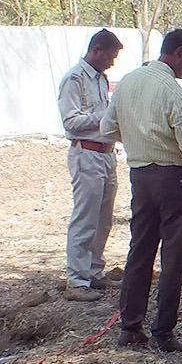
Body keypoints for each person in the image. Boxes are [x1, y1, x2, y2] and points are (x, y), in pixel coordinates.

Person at [104, 29, 182, 353]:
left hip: (140, 175)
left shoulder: (128, 82)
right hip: (172, 177)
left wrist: (137, 140)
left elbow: (107, 128)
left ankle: (130, 326)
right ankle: (163, 332)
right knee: (173, 257)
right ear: (177, 52)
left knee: (140, 249)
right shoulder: (174, 93)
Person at [58, 29, 124, 302]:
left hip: (106, 153)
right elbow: (71, 122)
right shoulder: (74, 79)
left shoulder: (101, 80)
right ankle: (76, 279)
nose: (112, 62)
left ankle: (94, 271)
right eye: (110, 56)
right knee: (85, 216)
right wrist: (106, 115)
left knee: (103, 217)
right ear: (97, 49)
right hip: (86, 152)